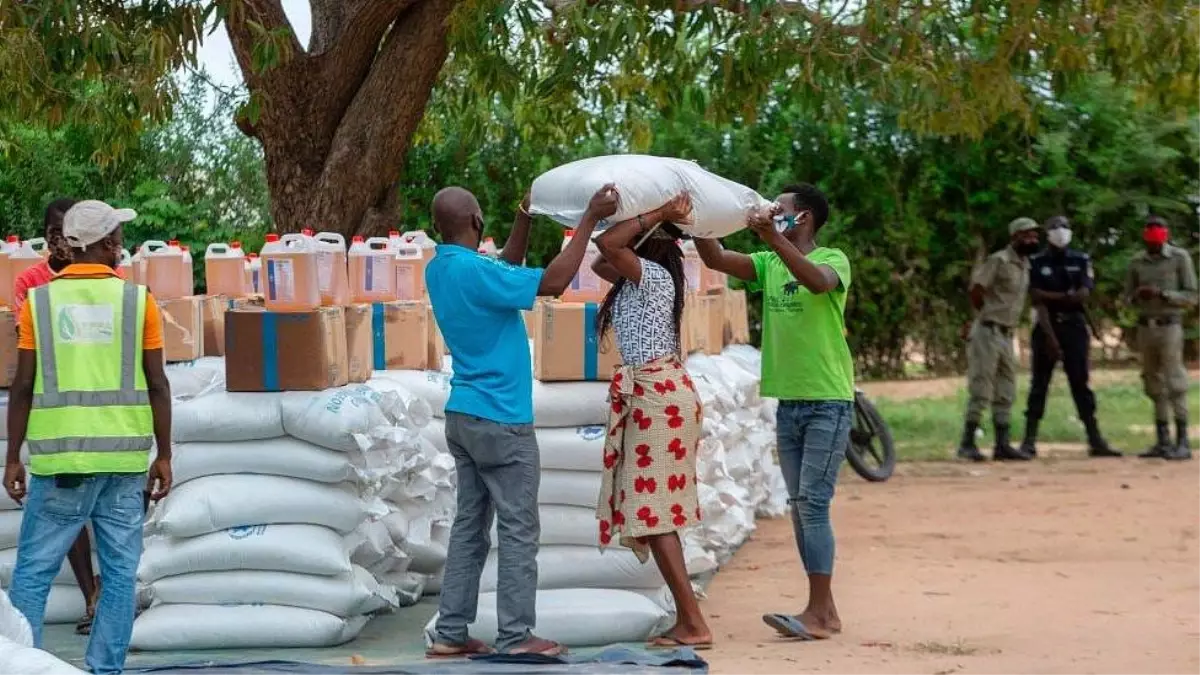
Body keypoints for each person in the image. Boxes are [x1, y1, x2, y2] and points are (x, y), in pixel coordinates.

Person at [424, 185, 619, 658]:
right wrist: (590, 219)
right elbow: (552, 283)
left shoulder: (442, 268)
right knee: (517, 529)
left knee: (470, 527)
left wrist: (524, 216)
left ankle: (450, 630)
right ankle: (516, 636)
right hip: (501, 419)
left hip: (464, 414)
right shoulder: (472, 270)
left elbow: (506, 267)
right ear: (475, 222)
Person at [4, 200, 173, 675]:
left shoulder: (39, 303)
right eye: (116, 238)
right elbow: (157, 382)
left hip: (61, 465)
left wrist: (12, 458)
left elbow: (22, 384)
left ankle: (20, 665)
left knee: (34, 574)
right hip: (122, 462)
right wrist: (165, 454)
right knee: (120, 574)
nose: (120, 245)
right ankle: (105, 671)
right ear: (103, 245)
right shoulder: (139, 302)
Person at [694, 183, 852, 641]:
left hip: (828, 400)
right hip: (790, 403)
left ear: (801, 218)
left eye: (778, 210)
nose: (768, 212)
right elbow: (716, 259)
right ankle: (824, 611)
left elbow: (817, 282)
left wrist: (771, 239)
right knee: (802, 508)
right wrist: (695, 220)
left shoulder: (833, 259)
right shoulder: (767, 263)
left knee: (813, 505)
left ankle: (819, 612)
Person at [590, 193, 711, 649]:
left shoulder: (654, 278)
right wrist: (637, 227)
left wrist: (657, 214)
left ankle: (694, 623)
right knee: (654, 512)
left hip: (658, 400)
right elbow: (606, 257)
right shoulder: (637, 280)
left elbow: (607, 246)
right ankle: (689, 618)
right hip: (657, 397)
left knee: (654, 513)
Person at [13, 197, 108, 636]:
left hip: (104, 419)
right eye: (51, 231)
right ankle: (91, 595)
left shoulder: (111, 280)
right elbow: (28, 355)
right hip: (57, 420)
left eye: (65, 230)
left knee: (94, 519)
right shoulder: (31, 283)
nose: (58, 238)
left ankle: (101, 606)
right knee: (62, 522)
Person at [1021, 216, 1121, 458]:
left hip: (1075, 328)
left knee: (1080, 383)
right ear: (1047, 233)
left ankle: (1095, 439)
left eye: (1064, 227)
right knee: (1039, 385)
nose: (1060, 232)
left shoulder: (1081, 259)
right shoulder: (1035, 261)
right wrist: (1063, 302)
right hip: (1046, 328)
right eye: (1054, 227)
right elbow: (1036, 298)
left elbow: (1083, 294)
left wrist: (1052, 296)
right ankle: (1029, 441)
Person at [956, 218, 1041, 462]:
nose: (1033, 240)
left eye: (1035, 236)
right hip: (988, 330)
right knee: (981, 385)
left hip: (1007, 333)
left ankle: (1002, 444)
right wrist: (984, 315)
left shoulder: (1025, 265)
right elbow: (977, 289)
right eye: (1027, 235)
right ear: (1014, 237)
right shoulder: (999, 260)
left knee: (1006, 388)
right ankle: (968, 442)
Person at [1125, 215, 1197, 460]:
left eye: (1159, 235)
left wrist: (1164, 294)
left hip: (1170, 326)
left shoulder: (1179, 258)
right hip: (1146, 327)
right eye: (1150, 236)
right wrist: (1137, 295)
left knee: (1174, 380)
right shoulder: (1136, 262)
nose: (1154, 242)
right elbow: (1126, 298)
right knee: (1152, 381)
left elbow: (1191, 296)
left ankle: (1183, 441)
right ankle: (1162, 439)